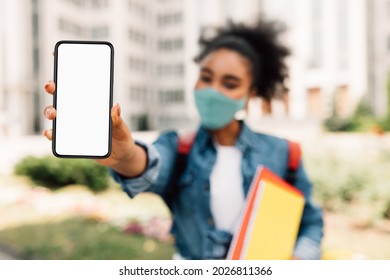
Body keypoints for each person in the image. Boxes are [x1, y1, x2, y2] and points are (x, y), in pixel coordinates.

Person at [43, 19, 323, 260]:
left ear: (251, 94)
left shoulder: (284, 152)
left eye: (230, 83)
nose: (213, 91)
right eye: (206, 77)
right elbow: (149, 164)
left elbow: (310, 223)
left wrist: (298, 260)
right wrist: (126, 155)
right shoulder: (179, 148)